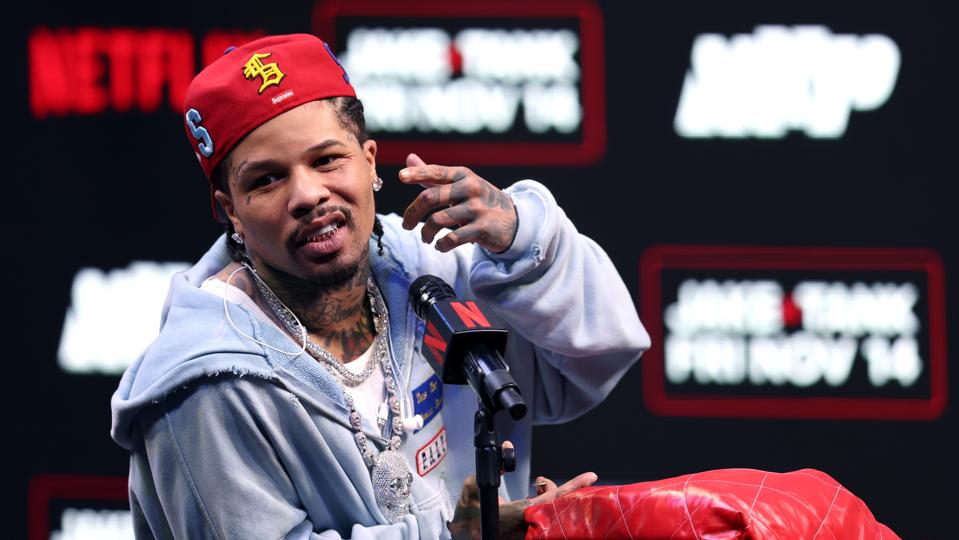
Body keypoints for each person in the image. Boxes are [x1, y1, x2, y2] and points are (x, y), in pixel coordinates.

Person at [110, 33, 649, 539]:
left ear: (369, 161)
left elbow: (596, 359)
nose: (308, 195)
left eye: (327, 160)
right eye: (266, 180)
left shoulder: (433, 266)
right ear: (231, 210)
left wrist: (519, 237)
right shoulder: (205, 386)